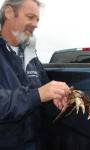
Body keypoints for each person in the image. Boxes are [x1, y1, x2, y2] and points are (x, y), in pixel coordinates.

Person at [0, 0, 70, 149]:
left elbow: (41, 97)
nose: (36, 24)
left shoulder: (31, 56)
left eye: (37, 19)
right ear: (9, 13)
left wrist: (55, 102)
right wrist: (38, 95)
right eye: (30, 17)